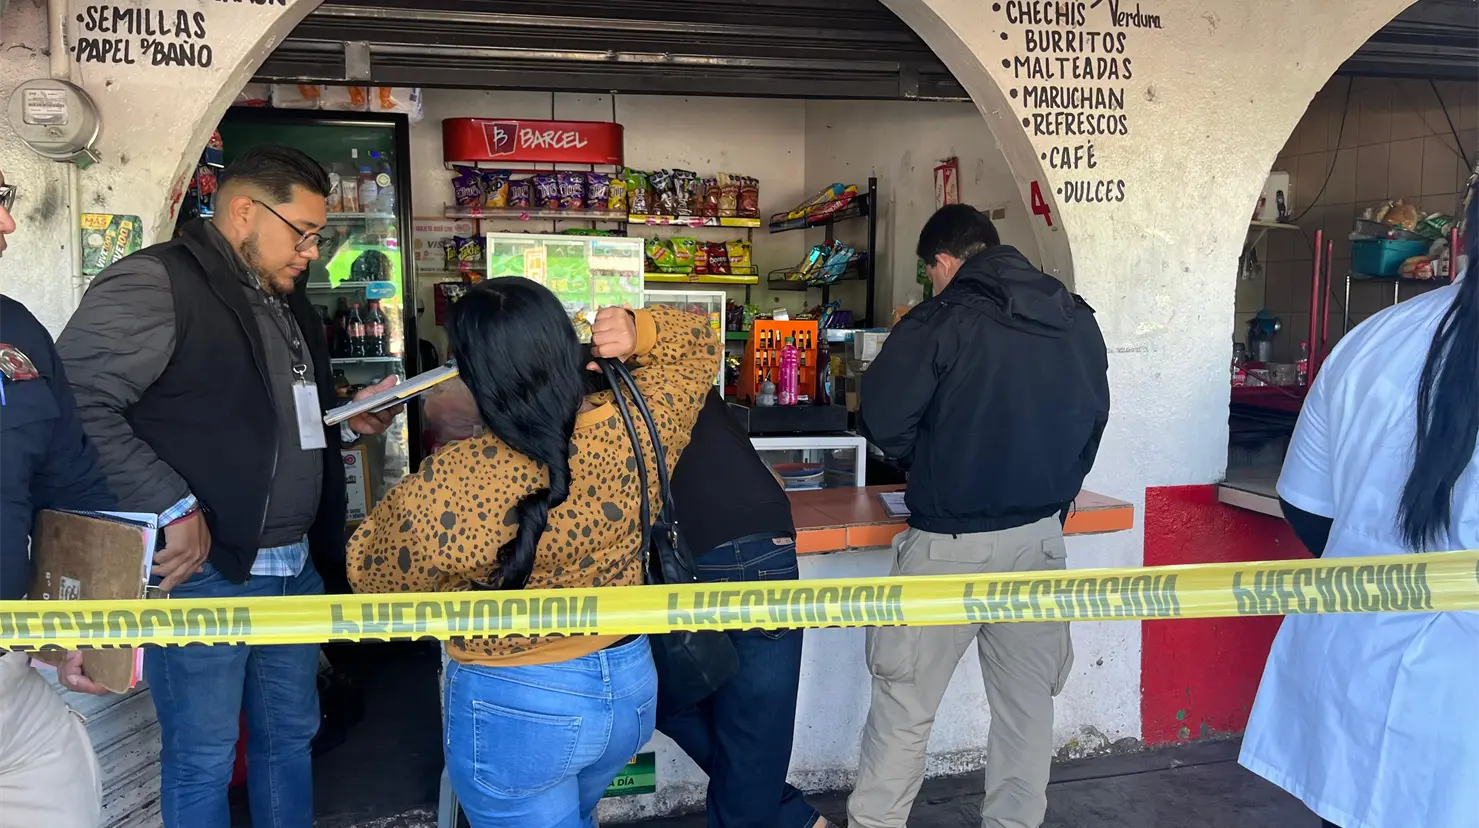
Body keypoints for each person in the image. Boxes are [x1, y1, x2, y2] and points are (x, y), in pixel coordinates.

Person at [56, 146, 399, 828]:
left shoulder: (286, 300)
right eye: (302, 233)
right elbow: (78, 404)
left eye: (317, 236)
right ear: (245, 211)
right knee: (204, 757)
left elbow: (274, 418)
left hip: (294, 566)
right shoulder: (157, 282)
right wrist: (172, 503)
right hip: (209, 572)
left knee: (290, 739)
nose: (312, 251)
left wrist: (344, 420)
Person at [347, 281, 717, 827]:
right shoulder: (639, 424)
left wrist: (366, 437)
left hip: (517, 703)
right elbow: (701, 343)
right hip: (628, 686)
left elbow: (372, 573)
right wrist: (639, 329)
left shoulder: (454, 480)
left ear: (476, 375)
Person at [847, 204, 1110, 828]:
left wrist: (933, 460)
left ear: (943, 262)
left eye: (930, 273)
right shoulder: (1075, 318)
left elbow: (881, 420)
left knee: (904, 708)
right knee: (1027, 710)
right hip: (1040, 543)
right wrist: (1055, 492)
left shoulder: (940, 319)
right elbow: (1093, 420)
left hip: (948, 545)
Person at [1239, 184, 1478, 828]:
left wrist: (1377, 567)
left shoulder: (1373, 338)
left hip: (1352, 674)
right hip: (1456, 720)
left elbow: (1307, 507)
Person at [657, 387, 831, 828]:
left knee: (657, 694)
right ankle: (788, 812)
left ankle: (783, 811)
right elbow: (772, 479)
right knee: (750, 730)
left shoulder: (589, 387)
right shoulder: (684, 370)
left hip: (697, 549)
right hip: (767, 535)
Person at [0, 166, 113, 828]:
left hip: (11, 691)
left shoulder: (16, 332)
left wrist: (89, 632)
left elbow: (72, 487)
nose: (8, 222)